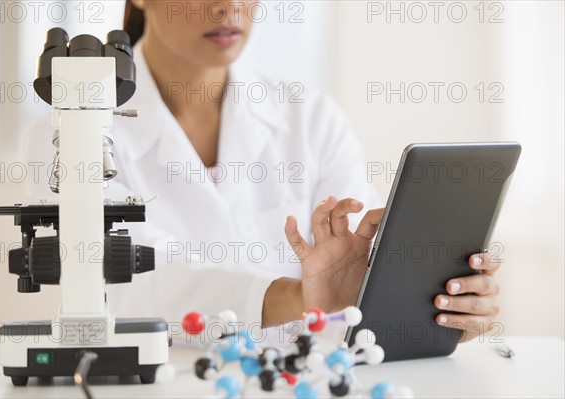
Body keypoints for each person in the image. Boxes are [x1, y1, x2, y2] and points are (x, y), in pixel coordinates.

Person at [25, 0, 500, 343]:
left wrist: (436, 312)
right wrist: (297, 297)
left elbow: (359, 277)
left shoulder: (309, 118)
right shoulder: (73, 131)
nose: (229, 6)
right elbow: (124, 288)